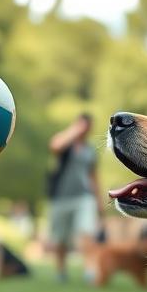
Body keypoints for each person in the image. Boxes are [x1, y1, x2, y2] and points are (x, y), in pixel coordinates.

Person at [46, 113, 102, 282]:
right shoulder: (65, 142)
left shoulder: (90, 149)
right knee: (60, 238)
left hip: (84, 197)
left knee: (87, 233)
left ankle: (90, 270)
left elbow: (93, 176)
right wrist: (74, 131)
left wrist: (99, 201)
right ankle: (61, 272)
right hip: (61, 197)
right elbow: (55, 147)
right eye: (82, 125)